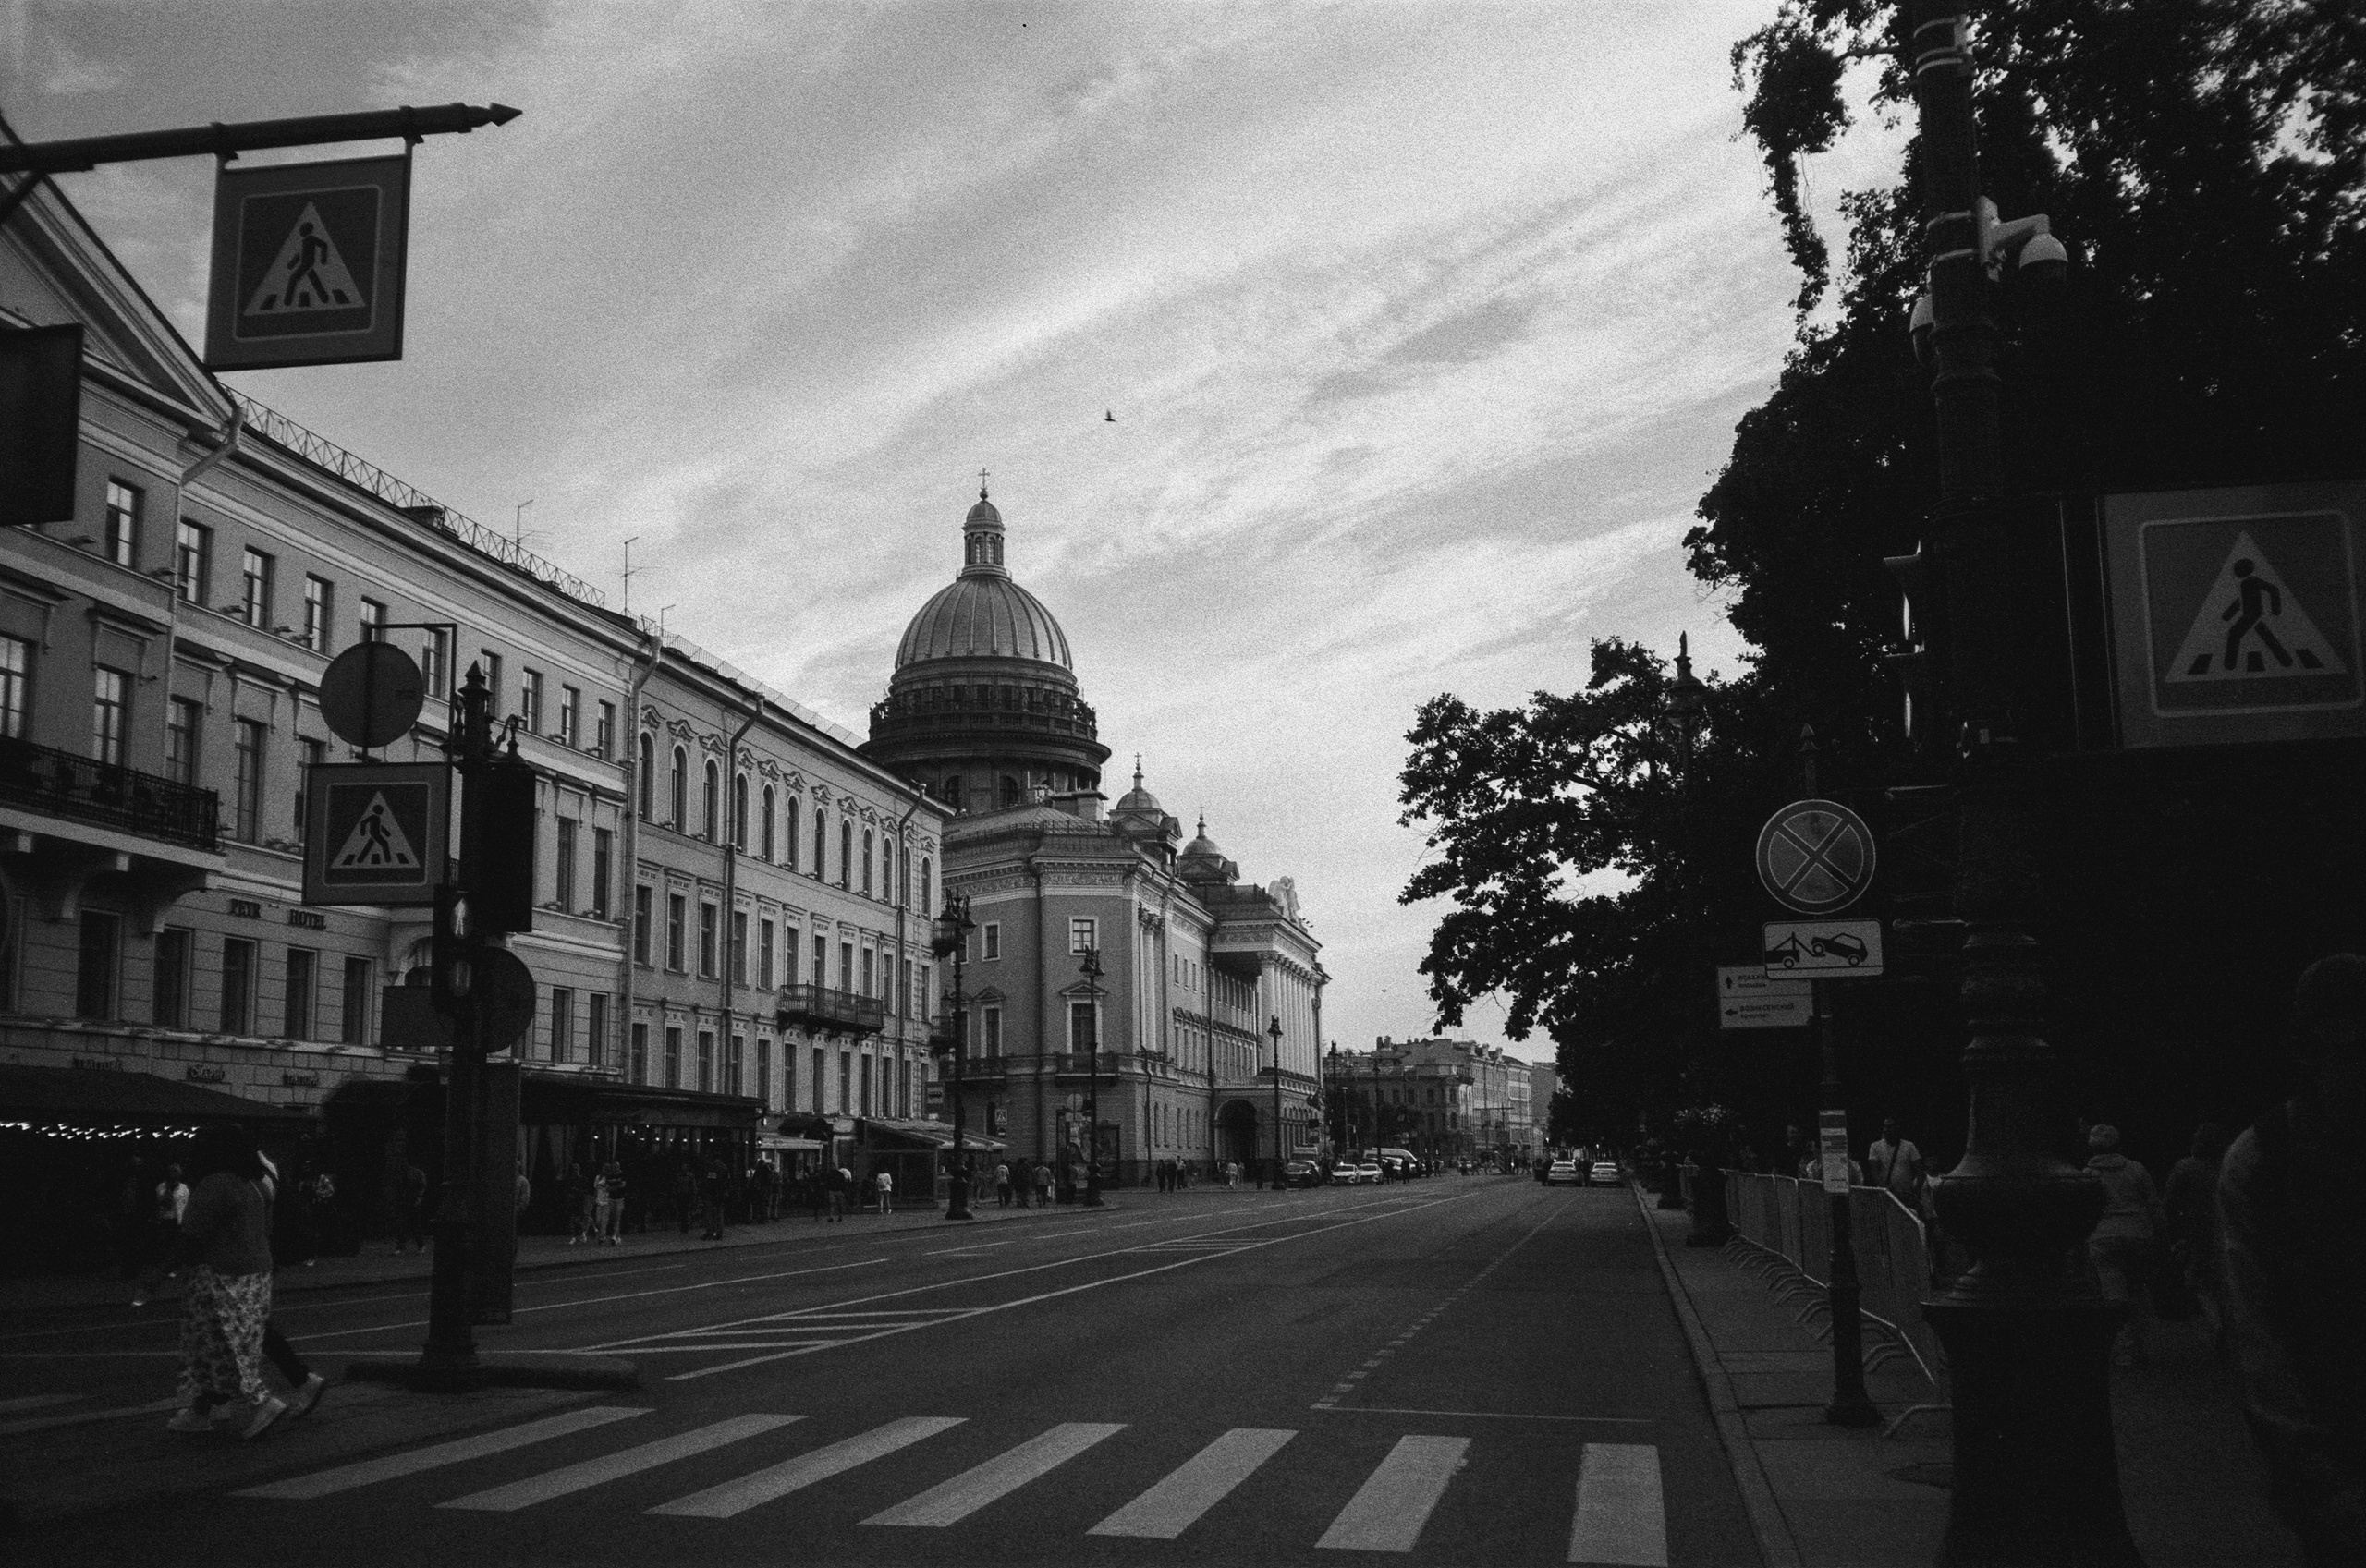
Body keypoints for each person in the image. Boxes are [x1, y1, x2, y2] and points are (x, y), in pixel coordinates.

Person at [2221, 953, 2366, 1563]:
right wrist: (2323, 1483)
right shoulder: (2262, 1163)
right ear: (2311, 1054)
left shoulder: (2260, 1158)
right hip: (2335, 1457)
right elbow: (2260, 1340)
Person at [166, 1128, 286, 1440]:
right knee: (237, 1343)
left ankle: (261, 1402)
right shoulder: (255, 1184)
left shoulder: (214, 1185)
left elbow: (192, 1236)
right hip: (256, 1273)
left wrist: (161, 1273)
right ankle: (203, 1409)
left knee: (215, 1347)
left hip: (219, 1275)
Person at [251, 1150, 329, 1422]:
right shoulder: (267, 1168)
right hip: (261, 1257)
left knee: (245, 1327)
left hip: (250, 1260)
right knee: (248, 1326)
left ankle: (292, 1383)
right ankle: (211, 1403)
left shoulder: (252, 1174)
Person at [2084, 1123, 2165, 1367]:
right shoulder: (2136, 1169)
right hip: (2138, 1234)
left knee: (2114, 1296)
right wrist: (2161, 1234)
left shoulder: (2088, 1174)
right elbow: (2153, 1204)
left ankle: (2125, 1350)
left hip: (2103, 1237)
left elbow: (2084, 1213)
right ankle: (2142, 1346)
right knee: (2137, 1291)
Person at [2163, 1122, 2231, 1344]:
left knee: (2199, 1282)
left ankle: (2217, 1324)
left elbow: (2170, 1204)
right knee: (2225, 1282)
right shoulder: (2229, 1166)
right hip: (2228, 1230)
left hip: (2196, 1232)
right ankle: (2228, 1324)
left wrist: (2174, 1235)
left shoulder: (2185, 1167)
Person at [1866, 1118, 1928, 1210]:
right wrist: (1885, 1188)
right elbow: (1874, 1172)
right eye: (1885, 1127)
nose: (1886, 1130)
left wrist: (1915, 1191)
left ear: (1897, 1128)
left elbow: (1920, 1171)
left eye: (1890, 1127)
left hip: (1907, 1194)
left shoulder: (1909, 1146)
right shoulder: (1875, 1146)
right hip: (1887, 1194)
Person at [396, 1160, 430, 1253]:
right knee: (406, 1224)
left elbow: (422, 1186)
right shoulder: (411, 1173)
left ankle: (419, 1244)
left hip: (411, 1200)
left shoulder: (414, 1173)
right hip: (407, 1200)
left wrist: (418, 1198)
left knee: (413, 1223)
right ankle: (403, 1246)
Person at [599, 1159, 628, 1244]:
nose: (615, 1168)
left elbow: (622, 1185)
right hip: (611, 1198)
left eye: (616, 1167)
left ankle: (614, 1236)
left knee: (617, 1216)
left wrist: (613, 1188)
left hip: (619, 1198)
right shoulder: (609, 1175)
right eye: (613, 1167)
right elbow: (607, 1186)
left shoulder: (622, 1174)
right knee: (612, 1217)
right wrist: (613, 1188)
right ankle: (616, 1236)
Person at [567, 1162, 595, 1245]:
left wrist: (578, 1191)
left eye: (577, 1169)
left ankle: (581, 1234)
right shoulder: (570, 1180)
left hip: (581, 1201)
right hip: (574, 1201)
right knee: (574, 1219)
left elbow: (587, 1190)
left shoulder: (583, 1179)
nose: (575, 1171)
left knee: (581, 1218)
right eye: (574, 1169)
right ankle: (578, 1235)